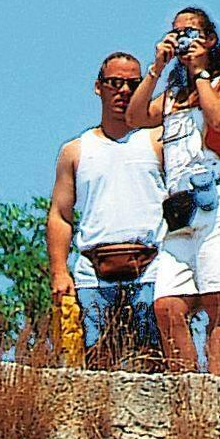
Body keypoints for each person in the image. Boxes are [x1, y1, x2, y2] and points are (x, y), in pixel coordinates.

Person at [126, 7, 220, 375]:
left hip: (219, 198)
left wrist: (199, 71)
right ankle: (187, 388)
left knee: (218, 298)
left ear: (210, 40)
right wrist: (156, 68)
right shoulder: (172, 96)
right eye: (176, 32)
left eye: (191, 32)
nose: (183, 39)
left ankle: (218, 388)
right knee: (167, 305)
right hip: (181, 209)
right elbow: (134, 118)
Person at [47, 52, 166, 367]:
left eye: (132, 83)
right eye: (115, 83)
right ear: (99, 87)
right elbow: (60, 215)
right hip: (93, 277)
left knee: (152, 363)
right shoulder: (75, 151)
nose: (124, 91)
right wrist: (59, 271)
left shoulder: (158, 142)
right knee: (95, 366)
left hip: (150, 271)